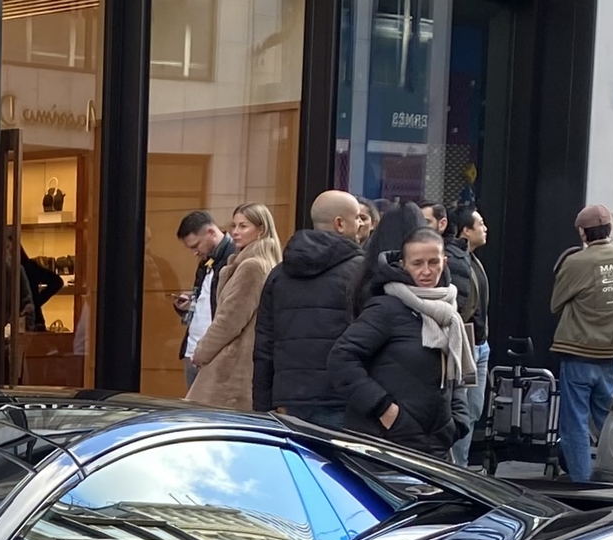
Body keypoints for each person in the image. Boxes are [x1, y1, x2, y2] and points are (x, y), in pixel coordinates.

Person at [327, 227, 475, 452]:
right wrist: (384, 409)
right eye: (417, 263)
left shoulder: (448, 311)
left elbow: (456, 374)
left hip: (436, 444)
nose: (426, 271)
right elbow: (341, 358)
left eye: (433, 262)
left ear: (444, 262)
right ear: (403, 265)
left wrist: (457, 422)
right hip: (386, 443)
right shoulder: (386, 308)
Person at [252, 189, 365, 429]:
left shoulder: (279, 274)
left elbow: (264, 344)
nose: (362, 224)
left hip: (291, 399)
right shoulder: (361, 273)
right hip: (343, 396)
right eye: (357, 218)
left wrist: (262, 405)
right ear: (340, 224)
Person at [549, 203, 613, 479]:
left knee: (574, 423)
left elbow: (556, 302)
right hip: (610, 352)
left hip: (578, 350)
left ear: (583, 233)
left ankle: (582, 482)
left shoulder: (578, 262)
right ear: (610, 229)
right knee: (608, 421)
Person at [186, 204, 279, 411]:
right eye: (234, 225)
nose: (235, 232)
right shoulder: (259, 262)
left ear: (261, 229)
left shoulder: (252, 266)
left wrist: (202, 351)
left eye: (243, 226)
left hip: (232, 367)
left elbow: (230, 320)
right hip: (239, 363)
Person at [442, 207, 493, 465]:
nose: (485, 229)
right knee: (463, 409)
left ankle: (461, 463)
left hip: (480, 343)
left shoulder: (473, 260)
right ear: (466, 230)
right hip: (466, 341)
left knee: (474, 408)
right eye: (480, 224)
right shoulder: (456, 258)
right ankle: (458, 466)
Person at [173, 211, 236, 391]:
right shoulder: (206, 262)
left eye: (196, 245)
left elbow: (229, 314)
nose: (194, 253)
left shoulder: (234, 259)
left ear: (210, 232)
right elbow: (205, 301)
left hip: (214, 353)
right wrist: (188, 304)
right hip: (193, 349)